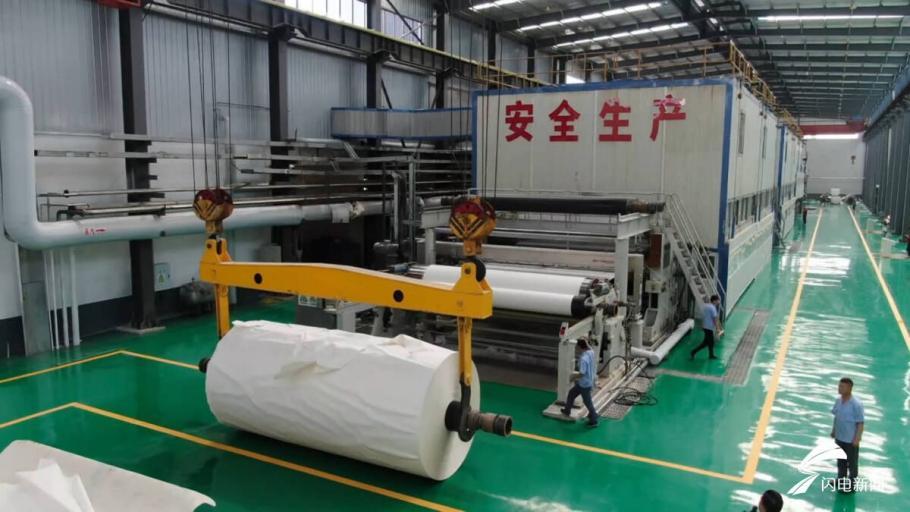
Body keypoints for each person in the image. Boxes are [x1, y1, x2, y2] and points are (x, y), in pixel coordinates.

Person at [831, 377, 864, 493]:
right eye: (839, 386)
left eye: (842, 386)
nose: (839, 388)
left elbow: (860, 423)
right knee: (841, 461)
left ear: (849, 388)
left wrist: (857, 438)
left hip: (850, 440)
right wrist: (834, 430)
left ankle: (851, 485)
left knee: (852, 463)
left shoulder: (856, 404)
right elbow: (837, 416)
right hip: (839, 438)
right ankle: (840, 480)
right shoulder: (838, 401)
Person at [560, 338, 598, 427]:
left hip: (584, 384)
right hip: (587, 382)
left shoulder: (584, 359)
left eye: (577, 346)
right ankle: (567, 411)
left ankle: (594, 419)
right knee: (571, 394)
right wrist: (585, 341)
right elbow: (589, 347)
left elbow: (582, 373)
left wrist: (572, 377)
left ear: (580, 347)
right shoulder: (591, 352)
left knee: (587, 402)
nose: (576, 348)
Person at [690, 295, 722, 360]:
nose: (718, 302)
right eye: (717, 300)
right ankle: (694, 351)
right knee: (708, 342)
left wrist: (702, 325)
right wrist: (718, 328)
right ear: (714, 301)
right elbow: (715, 319)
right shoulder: (713, 308)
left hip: (705, 327)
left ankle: (711, 355)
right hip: (709, 327)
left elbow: (703, 316)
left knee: (708, 342)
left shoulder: (706, 306)